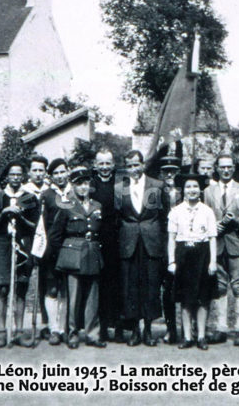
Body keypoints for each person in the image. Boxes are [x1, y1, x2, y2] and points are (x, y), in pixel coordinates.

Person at [114, 150, 169, 347]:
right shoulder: (120, 188)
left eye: (136, 165)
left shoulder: (157, 185)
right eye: (129, 166)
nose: (133, 169)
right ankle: (135, 331)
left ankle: (148, 330)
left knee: (150, 287)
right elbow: (117, 217)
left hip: (151, 244)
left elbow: (164, 219)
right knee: (131, 287)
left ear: (143, 164)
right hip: (129, 244)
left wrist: (162, 246)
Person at [50, 166, 107, 349]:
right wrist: (64, 255)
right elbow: (55, 235)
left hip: (92, 253)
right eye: (79, 184)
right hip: (73, 255)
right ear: (72, 185)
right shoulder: (66, 205)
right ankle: (72, 333)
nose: (83, 187)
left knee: (93, 297)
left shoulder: (97, 206)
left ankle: (92, 333)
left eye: (86, 183)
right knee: (73, 297)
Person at [0, 161, 41, 348]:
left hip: (23, 244)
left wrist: (20, 217)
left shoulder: (30, 198)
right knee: (3, 288)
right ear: (7, 176)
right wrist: (4, 213)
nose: (16, 178)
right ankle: (2, 332)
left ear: (23, 176)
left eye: (19, 174)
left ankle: (19, 331)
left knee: (21, 287)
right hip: (3, 243)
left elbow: (35, 226)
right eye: (12, 174)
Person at [203, 154, 239, 346]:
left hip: (237, 243)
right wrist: (213, 225)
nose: (226, 170)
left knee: (238, 286)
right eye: (222, 167)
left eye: (229, 167)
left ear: (233, 168)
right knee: (219, 287)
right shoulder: (208, 191)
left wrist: (237, 221)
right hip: (217, 244)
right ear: (216, 168)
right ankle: (221, 327)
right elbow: (204, 215)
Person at [167, 173, 217, 351]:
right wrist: (172, 261)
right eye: (188, 187)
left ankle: (201, 335)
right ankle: (187, 336)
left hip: (202, 254)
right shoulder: (176, 211)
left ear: (200, 189)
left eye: (195, 186)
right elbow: (171, 238)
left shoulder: (207, 211)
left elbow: (212, 238)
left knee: (203, 298)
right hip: (183, 255)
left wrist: (213, 262)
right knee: (186, 298)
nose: (192, 190)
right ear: (183, 190)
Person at [90, 148, 126, 343]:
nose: (104, 167)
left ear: (113, 165)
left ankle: (119, 327)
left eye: (108, 163)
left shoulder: (121, 184)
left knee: (117, 284)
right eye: (101, 163)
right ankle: (102, 328)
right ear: (95, 165)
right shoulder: (90, 185)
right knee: (100, 284)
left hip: (117, 239)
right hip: (97, 239)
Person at [40, 158, 73, 345]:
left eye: (63, 172)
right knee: (52, 287)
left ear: (68, 172)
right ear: (51, 177)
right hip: (52, 248)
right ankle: (54, 329)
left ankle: (64, 328)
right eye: (56, 173)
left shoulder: (75, 192)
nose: (60, 176)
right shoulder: (46, 196)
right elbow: (42, 225)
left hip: (71, 246)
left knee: (67, 289)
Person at [22, 154, 51, 340]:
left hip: (47, 240)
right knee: (24, 281)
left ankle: (46, 324)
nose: (38, 174)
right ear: (29, 172)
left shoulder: (50, 191)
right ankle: (20, 326)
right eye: (35, 170)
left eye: (41, 170)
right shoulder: (25, 191)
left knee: (46, 283)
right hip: (28, 239)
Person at [158, 155, 182, 344]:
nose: (169, 174)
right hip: (163, 242)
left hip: (184, 240)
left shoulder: (186, 190)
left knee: (188, 285)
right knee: (168, 287)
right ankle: (171, 328)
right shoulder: (155, 192)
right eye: (166, 170)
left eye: (173, 170)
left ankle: (192, 328)